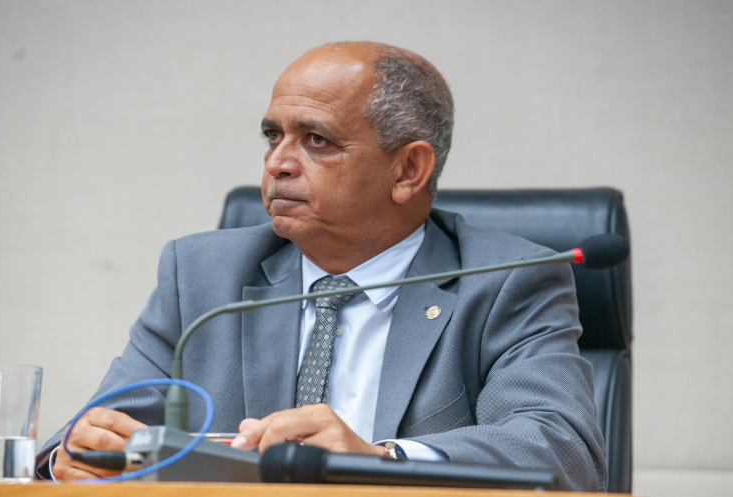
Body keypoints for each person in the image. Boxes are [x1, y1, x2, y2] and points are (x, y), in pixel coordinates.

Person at [36, 41, 607, 491]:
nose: (277, 164)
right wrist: (73, 457)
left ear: (408, 170)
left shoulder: (506, 280)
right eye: (272, 136)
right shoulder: (203, 276)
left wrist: (381, 460)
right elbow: (92, 434)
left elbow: (564, 453)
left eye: (316, 140)